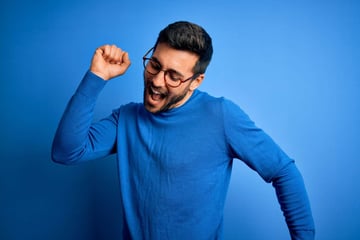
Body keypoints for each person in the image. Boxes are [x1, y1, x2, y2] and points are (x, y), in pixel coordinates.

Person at [52, 21, 315, 239]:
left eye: (173, 76)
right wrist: (96, 77)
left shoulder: (221, 116)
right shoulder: (127, 118)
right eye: (154, 65)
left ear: (195, 82)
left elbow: (283, 171)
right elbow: (66, 152)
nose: (156, 81)